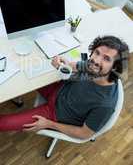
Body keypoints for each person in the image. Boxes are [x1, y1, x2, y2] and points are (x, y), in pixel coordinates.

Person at [0, 35, 129, 139]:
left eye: (106, 58)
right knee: (25, 70)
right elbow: (77, 65)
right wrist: (62, 65)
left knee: (3, 123)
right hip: (60, 90)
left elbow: (84, 134)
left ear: (115, 66)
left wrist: (48, 124)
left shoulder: (105, 105)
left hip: (55, 115)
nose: (96, 60)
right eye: (97, 52)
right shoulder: (93, 67)